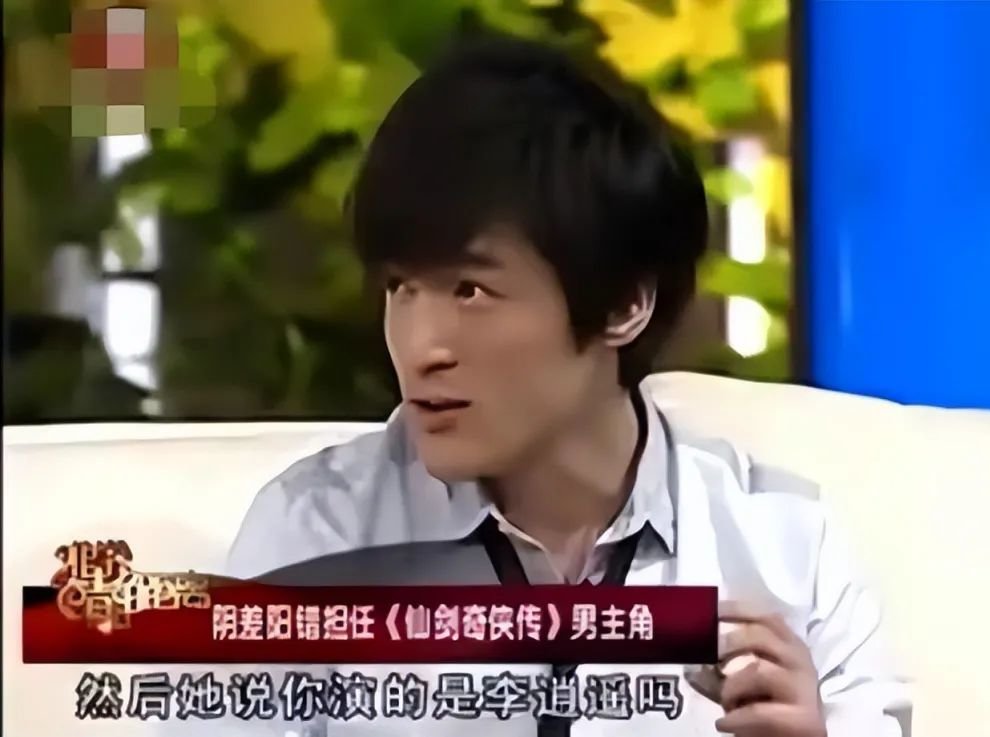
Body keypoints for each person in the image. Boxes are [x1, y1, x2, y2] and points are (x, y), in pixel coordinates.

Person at [228, 35, 910, 736]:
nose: (419, 347)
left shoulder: (786, 551)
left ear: (623, 305)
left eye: (469, 290)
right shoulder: (318, 535)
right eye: (401, 286)